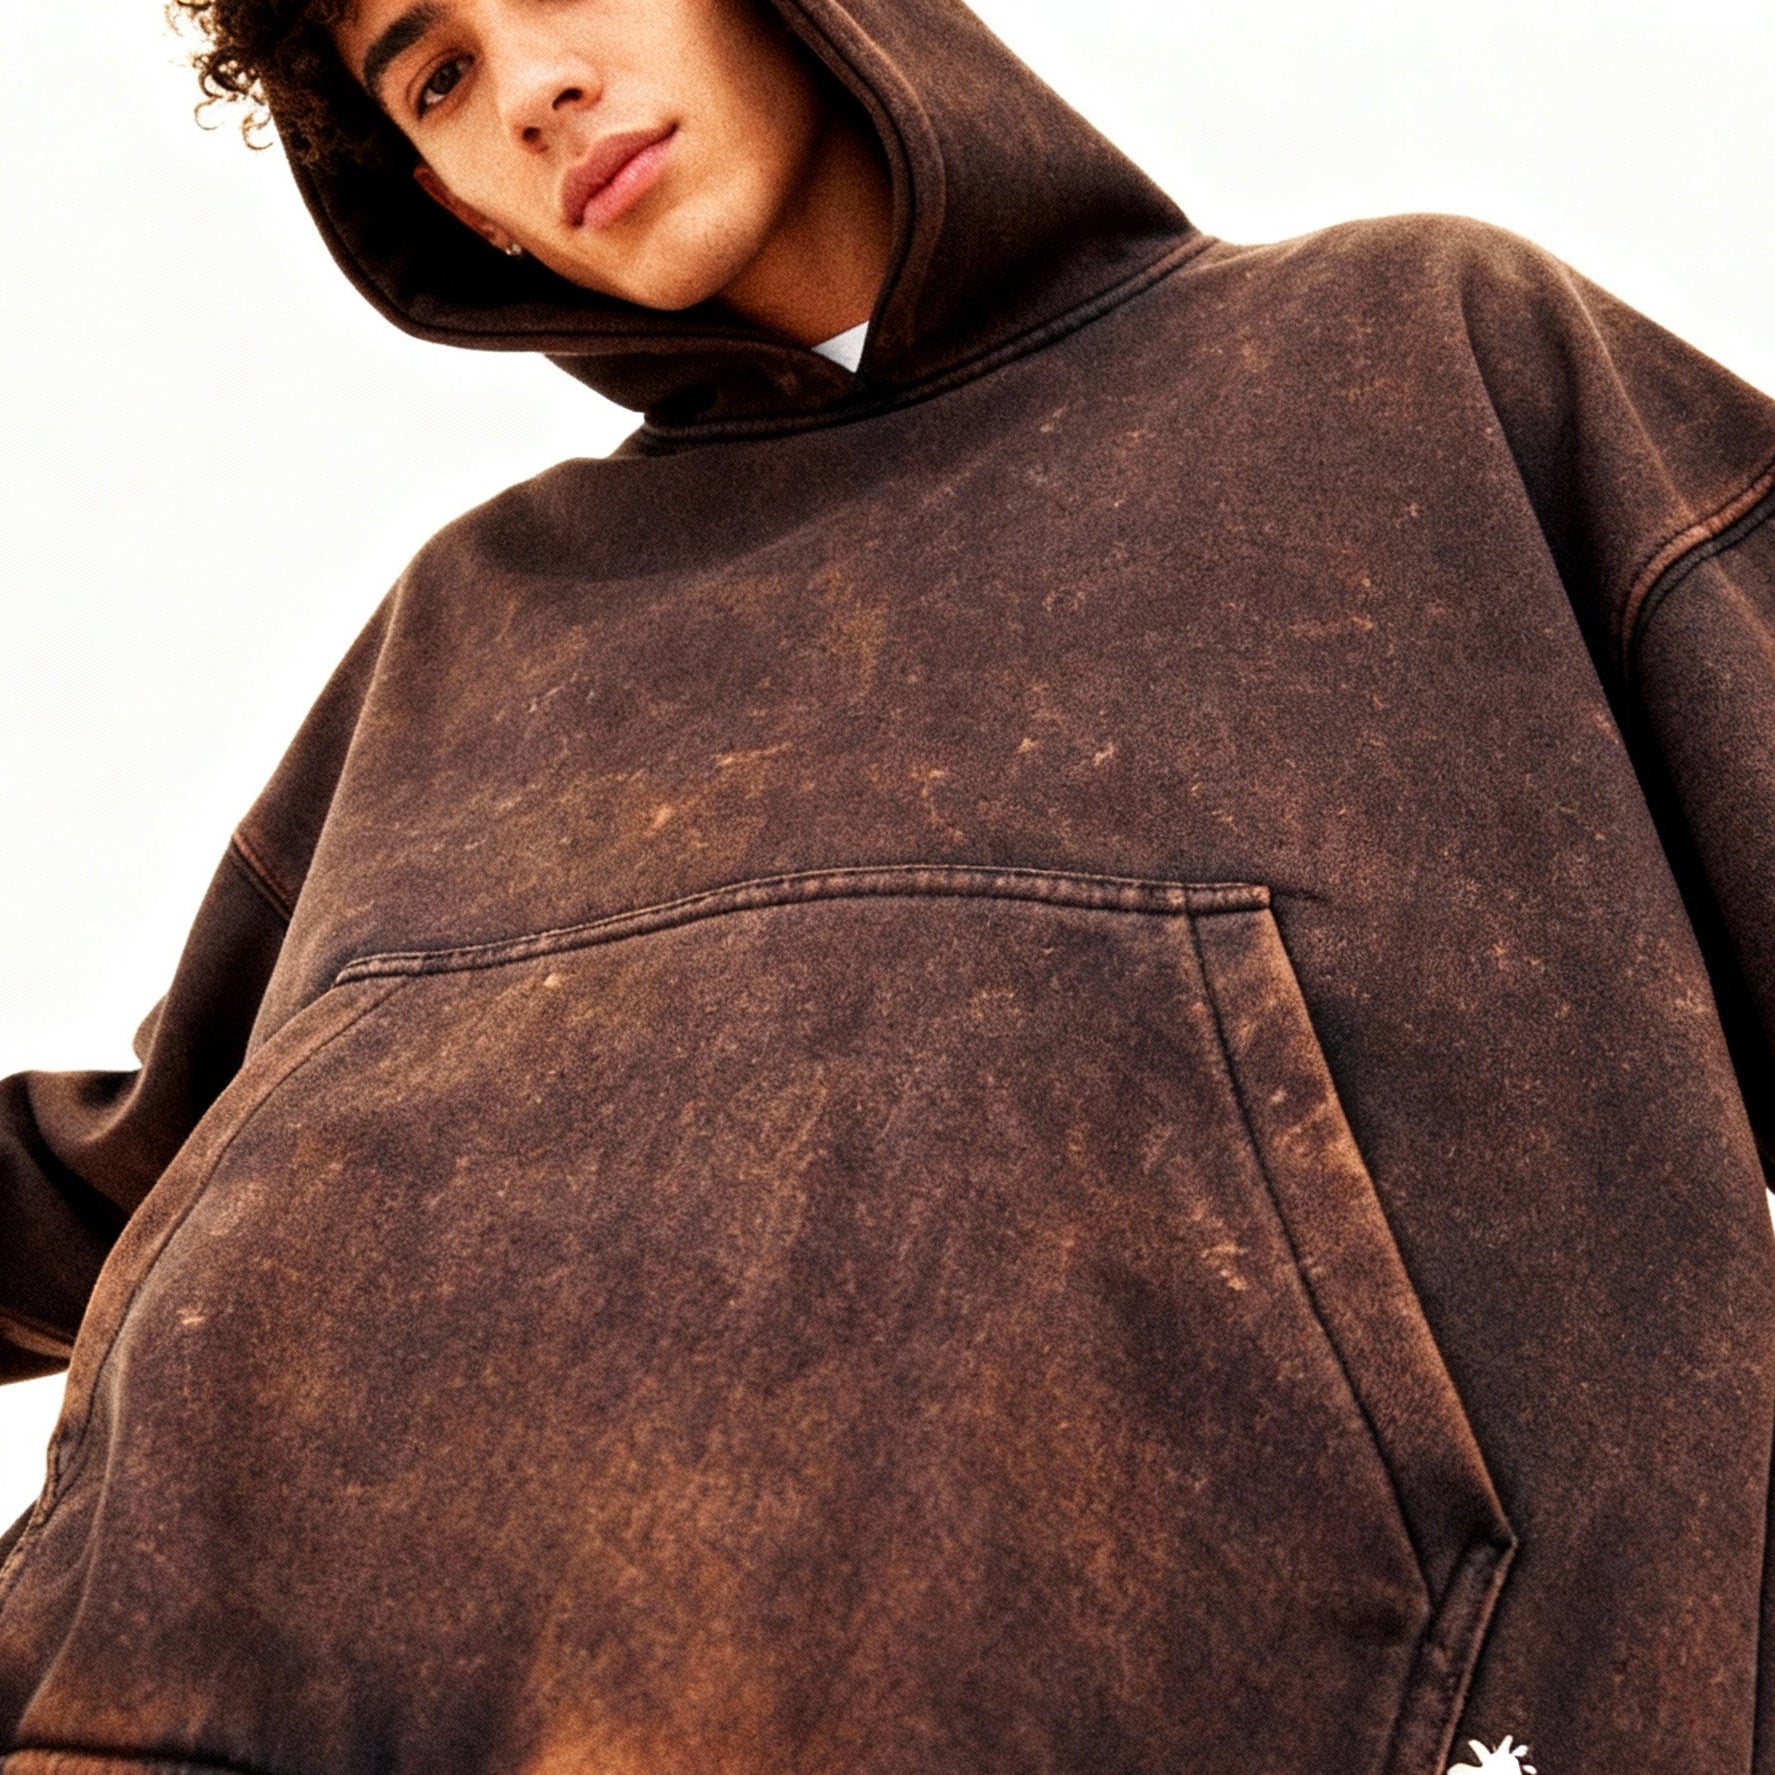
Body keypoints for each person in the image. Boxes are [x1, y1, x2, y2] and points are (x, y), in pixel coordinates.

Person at [0, 0, 1771, 1769]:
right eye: (437, 71)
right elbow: (155, 1179)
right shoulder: (473, 627)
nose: (534, 88)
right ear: (457, 203)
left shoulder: (1418, 357)